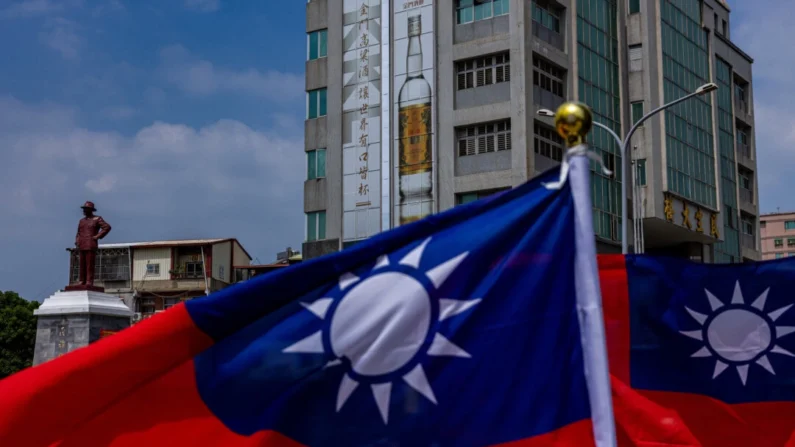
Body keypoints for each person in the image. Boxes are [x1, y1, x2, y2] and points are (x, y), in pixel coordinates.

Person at [75, 201, 112, 287]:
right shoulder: (82, 221)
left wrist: (97, 236)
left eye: (86, 209)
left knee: (89, 264)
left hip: (90, 243)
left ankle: (89, 281)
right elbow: (78, 232)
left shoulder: (97, 219)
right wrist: (77, 240)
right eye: (83, 209)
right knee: (82, 264)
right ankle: (81, 280)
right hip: (82, 243)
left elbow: (107, 227)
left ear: (90, 210)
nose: (84, 211)